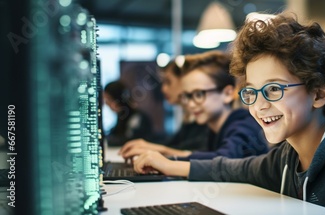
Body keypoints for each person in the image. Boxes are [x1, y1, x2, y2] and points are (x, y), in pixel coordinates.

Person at [131, 13, 325, 214]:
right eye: (252, 92)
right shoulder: (286, 158)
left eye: (273, 89)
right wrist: (170, 165)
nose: (258, 104)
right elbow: (232, 169)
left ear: (319, 93)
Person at [120, 50, 269, 161]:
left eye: (198, 94)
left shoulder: (244, 125)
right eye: (187, 96)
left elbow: (224, 159)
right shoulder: (214, 130)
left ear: (228, 93)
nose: (190, 104)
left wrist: (164, 153)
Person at [118, 59, 210, 154]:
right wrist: (148, 146)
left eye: (168, 82)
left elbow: (199, 151)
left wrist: (155, 149)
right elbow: (175, 145)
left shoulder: (203, 118)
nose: (163, 89)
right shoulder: (189, 116)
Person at [103, 80, 154, 146]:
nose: (106, 103)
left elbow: (131, 140)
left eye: (108, 99)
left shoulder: (136, 117)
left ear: (117, 99)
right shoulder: (122, 115)